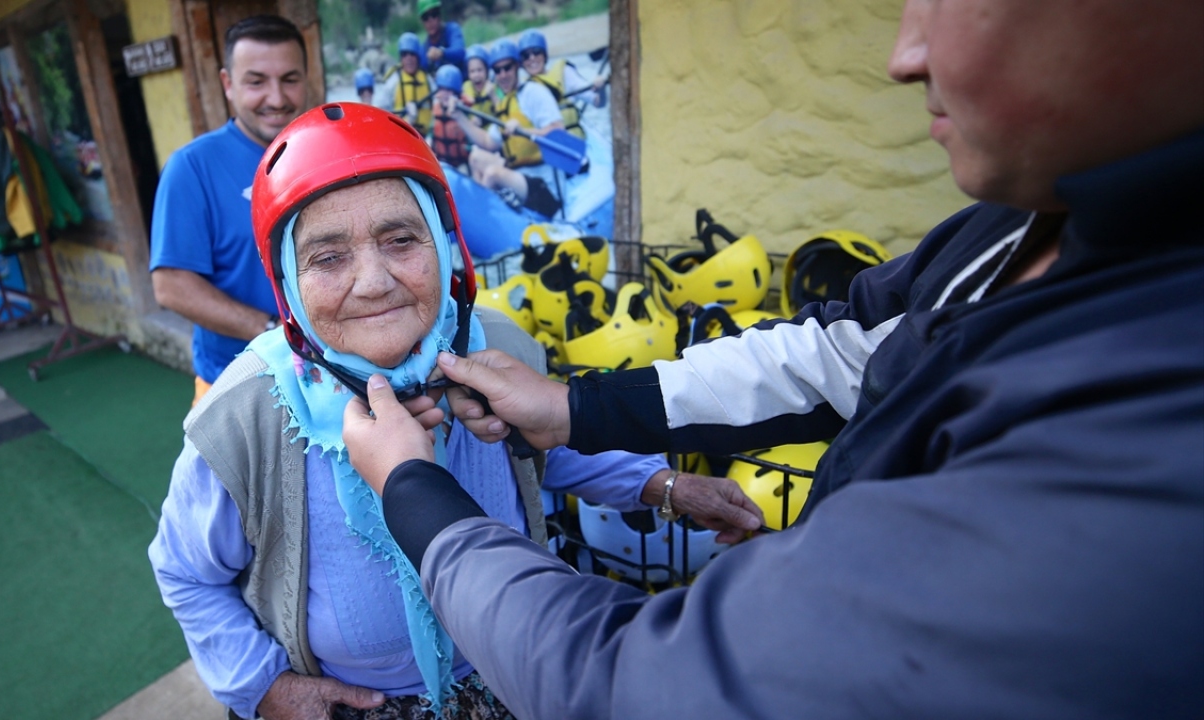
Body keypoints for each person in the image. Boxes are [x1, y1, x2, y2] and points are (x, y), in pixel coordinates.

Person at [341, 1, 1204, 718]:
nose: (904, 54)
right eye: (329, 256)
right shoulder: (1025, 225)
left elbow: (633, 688)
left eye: (401, 238)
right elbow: (840, 349)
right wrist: (578, 405)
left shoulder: (1145, 450)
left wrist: (419, 498)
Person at [149, 103, 761, 720]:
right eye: (328, 257)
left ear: (447, 249)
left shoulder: (494, 347)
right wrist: (267, 689)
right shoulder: (245, 415)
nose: (373, 282)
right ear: (286, 282)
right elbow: (184, 571)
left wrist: (667, 485)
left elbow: (548, 446)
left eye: (401, 240)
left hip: (506, 665)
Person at [149, 15, 308, 405]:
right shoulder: (192, 167)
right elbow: (171, 286)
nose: (276, 98)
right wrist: (279, 332)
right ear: (227, 85)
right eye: (256, 82)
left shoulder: (327, 151)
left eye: (290, 79)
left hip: (333, 381)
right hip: (237, 386)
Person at [452, 40, 565, 218]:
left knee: (492, 174)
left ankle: (483, 220)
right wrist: (459, 116)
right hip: (521, 174)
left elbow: (558, 131)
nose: (503, 74)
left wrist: (525, 131)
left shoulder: (533, 93)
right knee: (476, 157)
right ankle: (482, 218)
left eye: (508, 68)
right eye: (497, 70)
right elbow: (488, 142)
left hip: (546, 183)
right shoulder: (505, 102)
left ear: (517, 66)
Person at [516, 29, 605, 139]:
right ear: (521, 62)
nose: (532, 58)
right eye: (526, 56)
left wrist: (601, 89)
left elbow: (598, 102)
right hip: (545, 147)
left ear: (544, 55)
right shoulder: (522, 90)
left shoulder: (564, 73)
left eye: (536, 51)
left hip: (575, 141)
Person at [378, 32, 434, 137]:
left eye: (412, 54)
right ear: (401, 58)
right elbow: (380, 114)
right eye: (405, 54)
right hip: (400, 136)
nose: (409, 59)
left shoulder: (427, 80)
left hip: (425, 137)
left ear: (418, 57)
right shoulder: (393, 82)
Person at [429, 64, 470, 171]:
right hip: (441, 162)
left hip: (461, 163)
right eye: (442, 90)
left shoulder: (464, 109)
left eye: (449, 90)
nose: (445, 94)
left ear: (457, 92)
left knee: (464, 171)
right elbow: (430, 134)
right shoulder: (435, 109)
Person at [417, 0, 465, 76]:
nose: (430, 21)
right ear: (422, 21)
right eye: (425, 17)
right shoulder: (424, 48)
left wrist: (442, 53)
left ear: (440, 15)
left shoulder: (452, 30)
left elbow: (460, 51)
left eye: (434, 14)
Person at [460, 45, 496, 119]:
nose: (476, 75)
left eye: (480, 70)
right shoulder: (465, 88)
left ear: (487, 71)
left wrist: (493, 96)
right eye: (472, 71)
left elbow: (502, 108)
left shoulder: (494, 87)